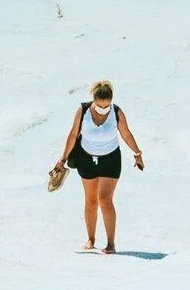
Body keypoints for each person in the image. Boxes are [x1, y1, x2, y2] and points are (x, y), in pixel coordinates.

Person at [51, 80, 144, 253]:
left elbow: (126, 133)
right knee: (91, 200)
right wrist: (62, 159)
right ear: (93, 100)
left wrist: (137, 153)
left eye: (106, 106)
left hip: (111, 159)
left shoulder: (116, 112)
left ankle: (111, 244)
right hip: (86, 159)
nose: (103, 109)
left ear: (111, 101)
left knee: (105, 199)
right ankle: (91, 239)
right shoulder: (83, 111)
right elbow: (73, 134)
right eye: (100, 106)